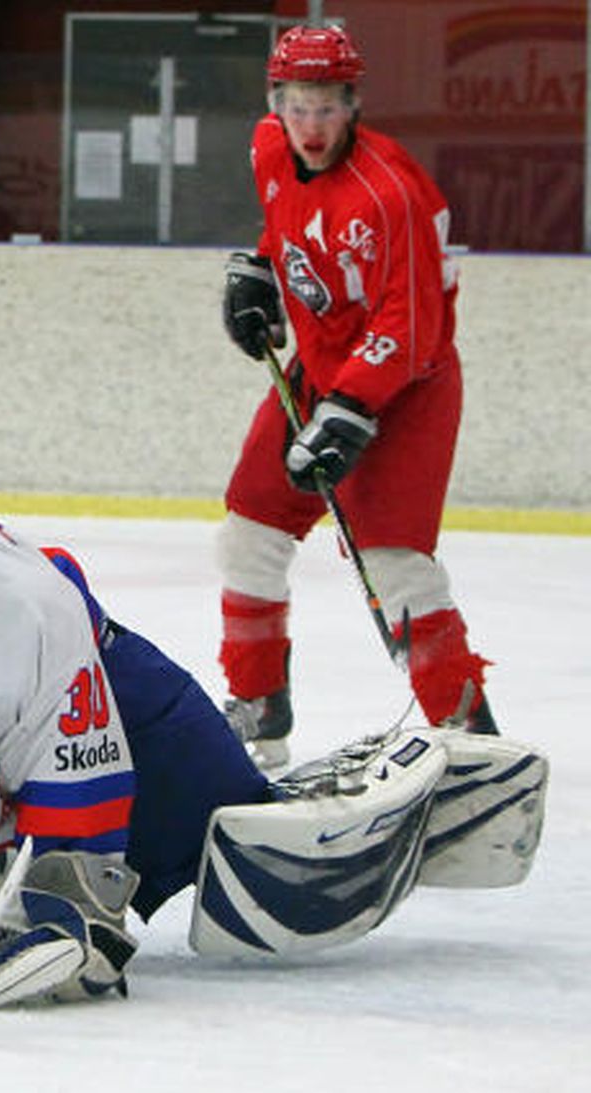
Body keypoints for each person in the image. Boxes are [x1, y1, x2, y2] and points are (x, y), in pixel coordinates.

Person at [0, 431, 545, 1007]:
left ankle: (409, 808)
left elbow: (81, 775)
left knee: (239, 834)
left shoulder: (28, 605)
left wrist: (70, 908)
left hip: (120, 693)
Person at [217, 24, 494, 769]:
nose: (311, 126)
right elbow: (294, 230)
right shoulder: (268, 147)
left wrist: (350, 409)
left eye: (328, 107)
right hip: (320, 368)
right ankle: (259, 705)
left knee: (396, 565)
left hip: (407, 389)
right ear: (277, 102)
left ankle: (468, 739)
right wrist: (264, 274)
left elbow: (411, 326)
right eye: (298, 106)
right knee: (249, 527)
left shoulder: (392, 191)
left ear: (353, 104)